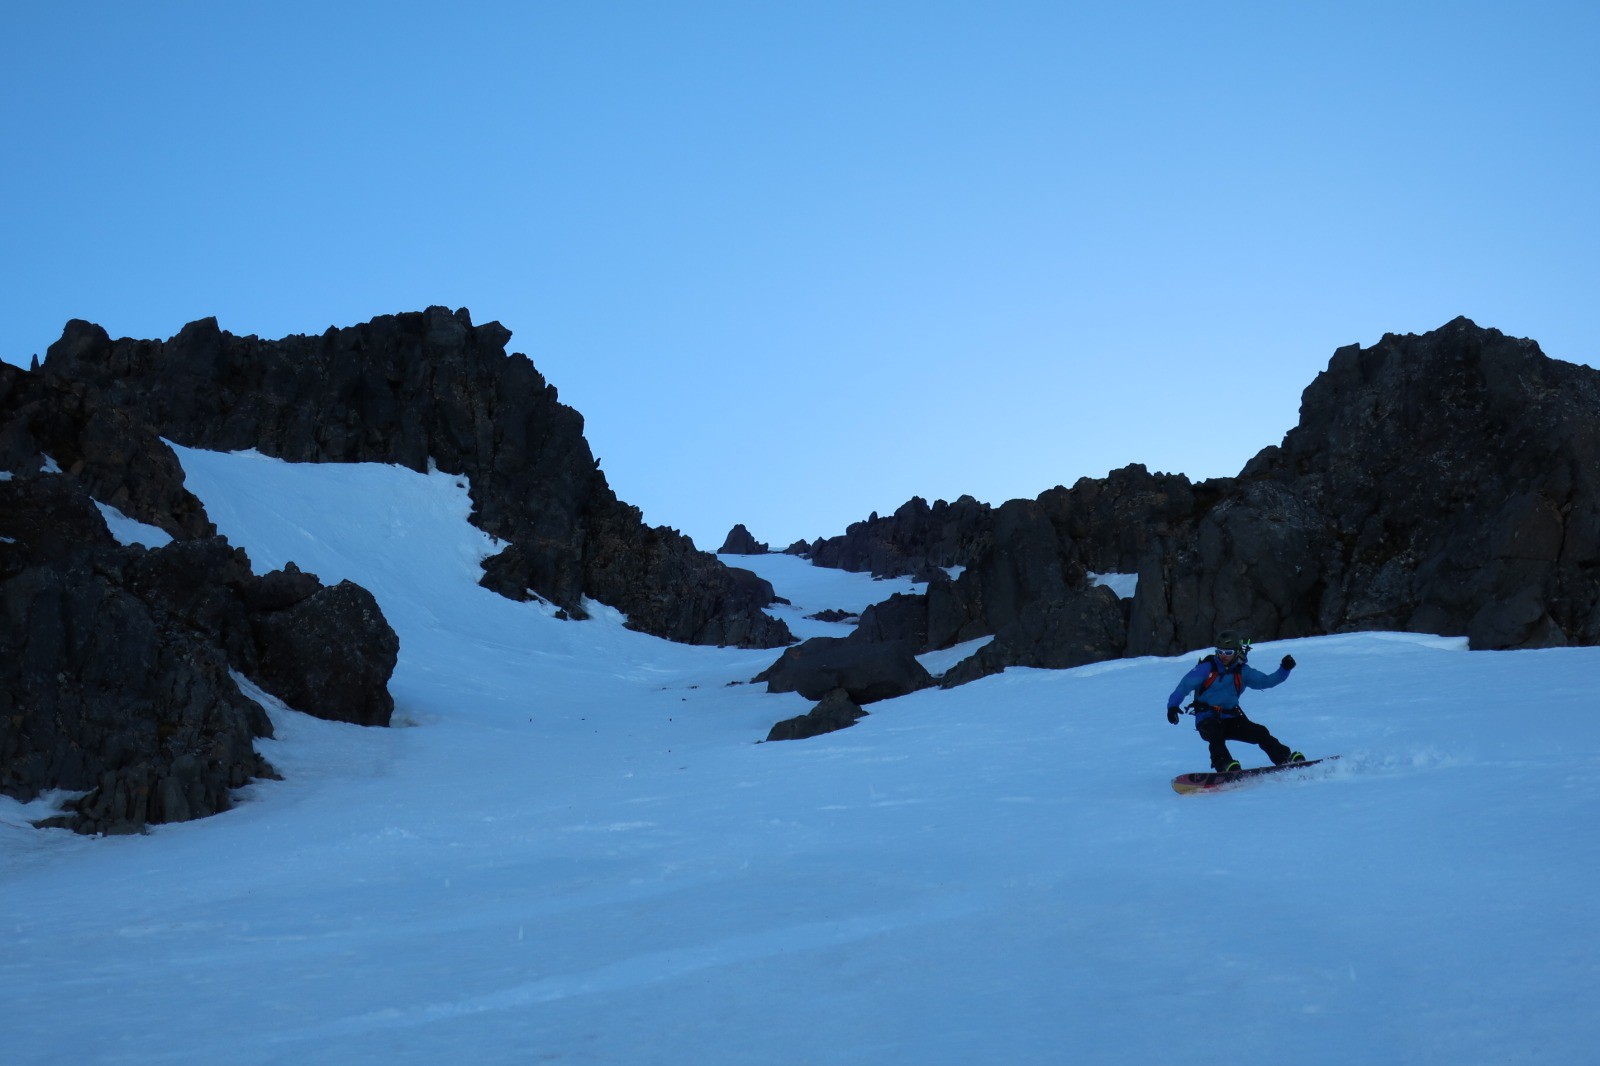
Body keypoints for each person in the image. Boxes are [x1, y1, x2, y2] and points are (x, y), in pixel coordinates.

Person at [1165, 630, 1301, 772]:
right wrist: (1172, 706)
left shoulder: (1242, 671)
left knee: (1260, 732)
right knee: (1215, 735)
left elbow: (1266, 681)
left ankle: (1285, 758)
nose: (1223, 656)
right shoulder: (1207, 668)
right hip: (1207, 718)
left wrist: (1284, 670)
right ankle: (1224, 765)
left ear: (1237, 652)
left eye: (1228, 653)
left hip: (1231, 717)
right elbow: (1184, 686)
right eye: (1220, 652)